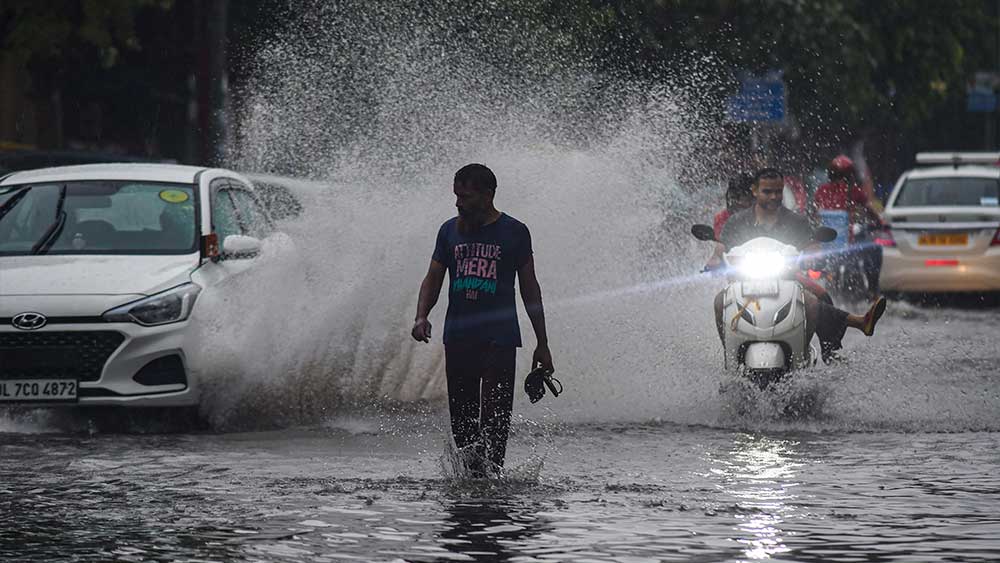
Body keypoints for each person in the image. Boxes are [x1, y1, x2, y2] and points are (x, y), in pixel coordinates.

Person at [412, 163, 554, 477]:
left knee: (494, 418)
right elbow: (433, 278)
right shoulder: (449, 230)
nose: (458, 203)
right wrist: (421, 315)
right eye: (456, 196)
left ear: (487, 195)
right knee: (462, 421)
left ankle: (492, 484)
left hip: (500, 338)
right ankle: (471, 484)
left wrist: (542, 343)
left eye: (466, 196)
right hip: (459, 337)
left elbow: (530, 288)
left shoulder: (515, 231)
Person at [706, 167, 887, 363]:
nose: (774, 196)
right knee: (719, 302)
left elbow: (812, 245)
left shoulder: (796, 221)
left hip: (786, 281)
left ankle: (808, 356)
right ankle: (730, 358)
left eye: (778, 191)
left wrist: (813, 257)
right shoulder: (736, 221)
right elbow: (721, 248)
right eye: (767, 191)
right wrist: (715, 260)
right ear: (755, 191)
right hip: (743, 284)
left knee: (812, 302)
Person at [813, 155, 884, 298]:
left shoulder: (821, 191)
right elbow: (869, 210)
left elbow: (814, 214)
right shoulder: (853, 191)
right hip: (847, 244)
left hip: (825, 244)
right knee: (875, 249)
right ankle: (872, 290)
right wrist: (879, 223)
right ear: (850, 174)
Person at [713, 173, 754, 239]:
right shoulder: (722, 217)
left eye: (744, 194)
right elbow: (720, 242)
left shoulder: (762, 213)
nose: (738, 200)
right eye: (735, 196)